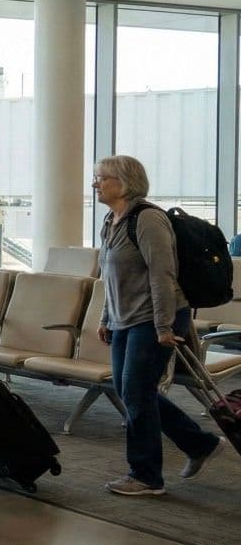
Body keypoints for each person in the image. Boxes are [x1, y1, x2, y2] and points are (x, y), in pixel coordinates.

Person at [93, 155, 223, 496]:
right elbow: (110, 276)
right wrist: (106, 317)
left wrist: (164, 326)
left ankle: (146, 476)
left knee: (136, 391)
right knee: (130, 391)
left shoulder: (148, 219)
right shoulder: (110, 220)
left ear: (125, 182)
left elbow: (162, 276)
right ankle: (200, 443)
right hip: (125, 318)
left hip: (154, 318)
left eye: (102, 178)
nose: (95, 184)